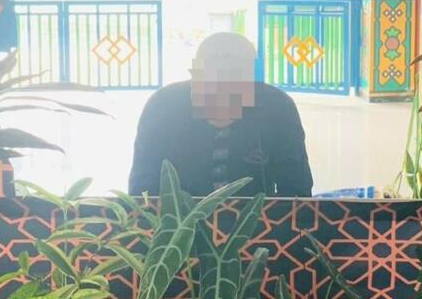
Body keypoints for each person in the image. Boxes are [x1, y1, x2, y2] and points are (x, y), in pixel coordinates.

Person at [128, 32, 313, 197]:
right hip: (179, 222)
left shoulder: (277, 108)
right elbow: (142, 193)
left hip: (258, 220)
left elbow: (297, 192)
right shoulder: (163, 106)